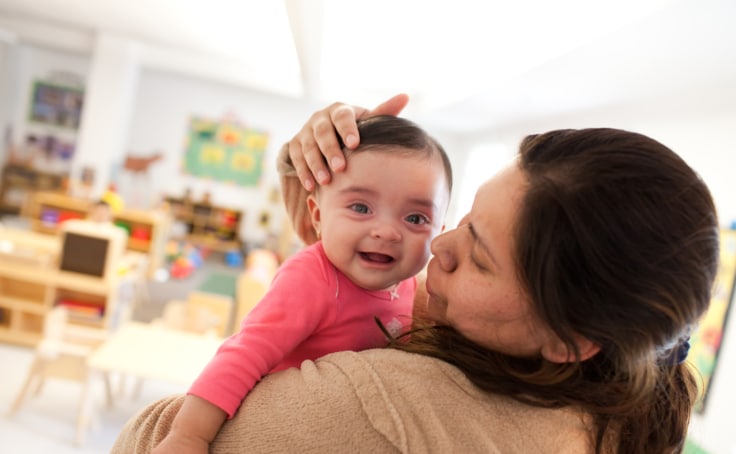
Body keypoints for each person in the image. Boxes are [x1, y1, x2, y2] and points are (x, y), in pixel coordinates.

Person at [114, 95, 719, 454]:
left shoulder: (383, 407)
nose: (438, 247)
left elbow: (146, 436)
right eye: (462, 220)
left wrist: (345, 210)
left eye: (477, 255)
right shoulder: (603, 407)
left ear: (567, 341)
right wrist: (321, 208)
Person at [151, 114, 453, 453]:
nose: (386, 231)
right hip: (275, 431)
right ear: (318, 215)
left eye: (415, 218)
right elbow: (243, 356)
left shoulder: (412, 285)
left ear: (439, 234)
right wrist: (189, 436)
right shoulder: (312, 278)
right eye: (361, 207)